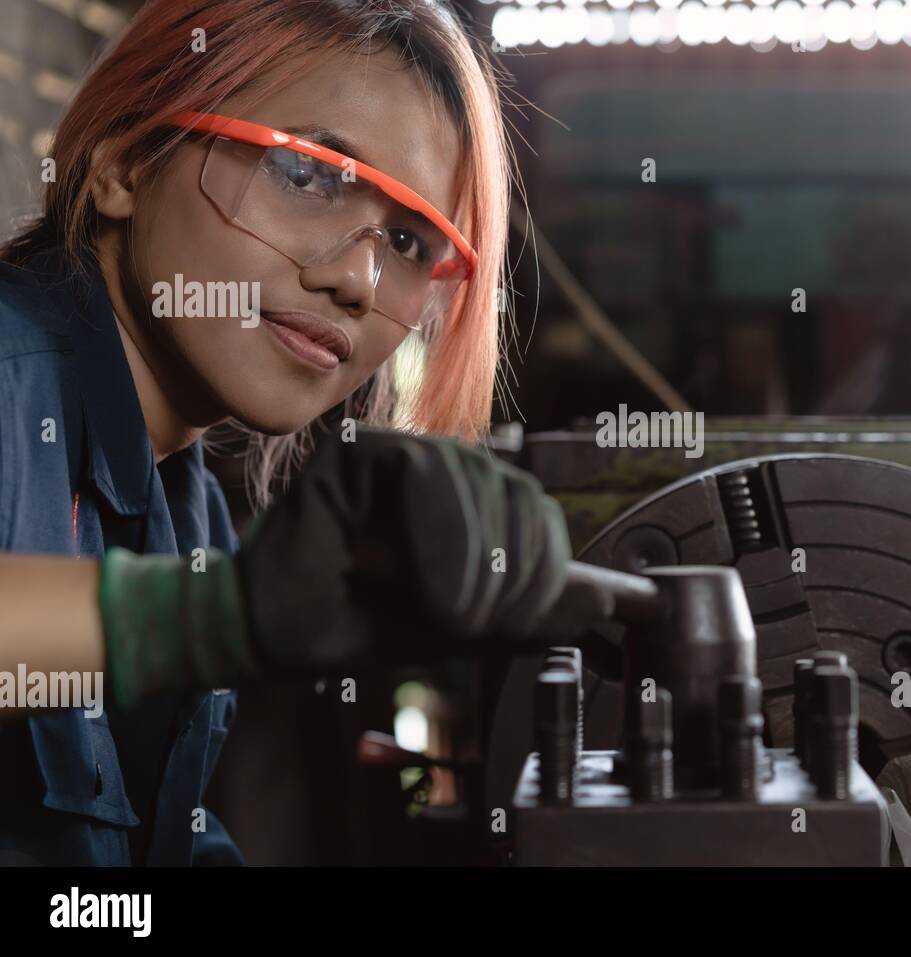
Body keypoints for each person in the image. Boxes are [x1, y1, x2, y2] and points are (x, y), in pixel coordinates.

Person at [0, 0, 570, 866]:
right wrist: (200, 616)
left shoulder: (184, 508)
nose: (358, 278)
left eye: (411, 242)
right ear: (122, 159)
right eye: (308, 174)